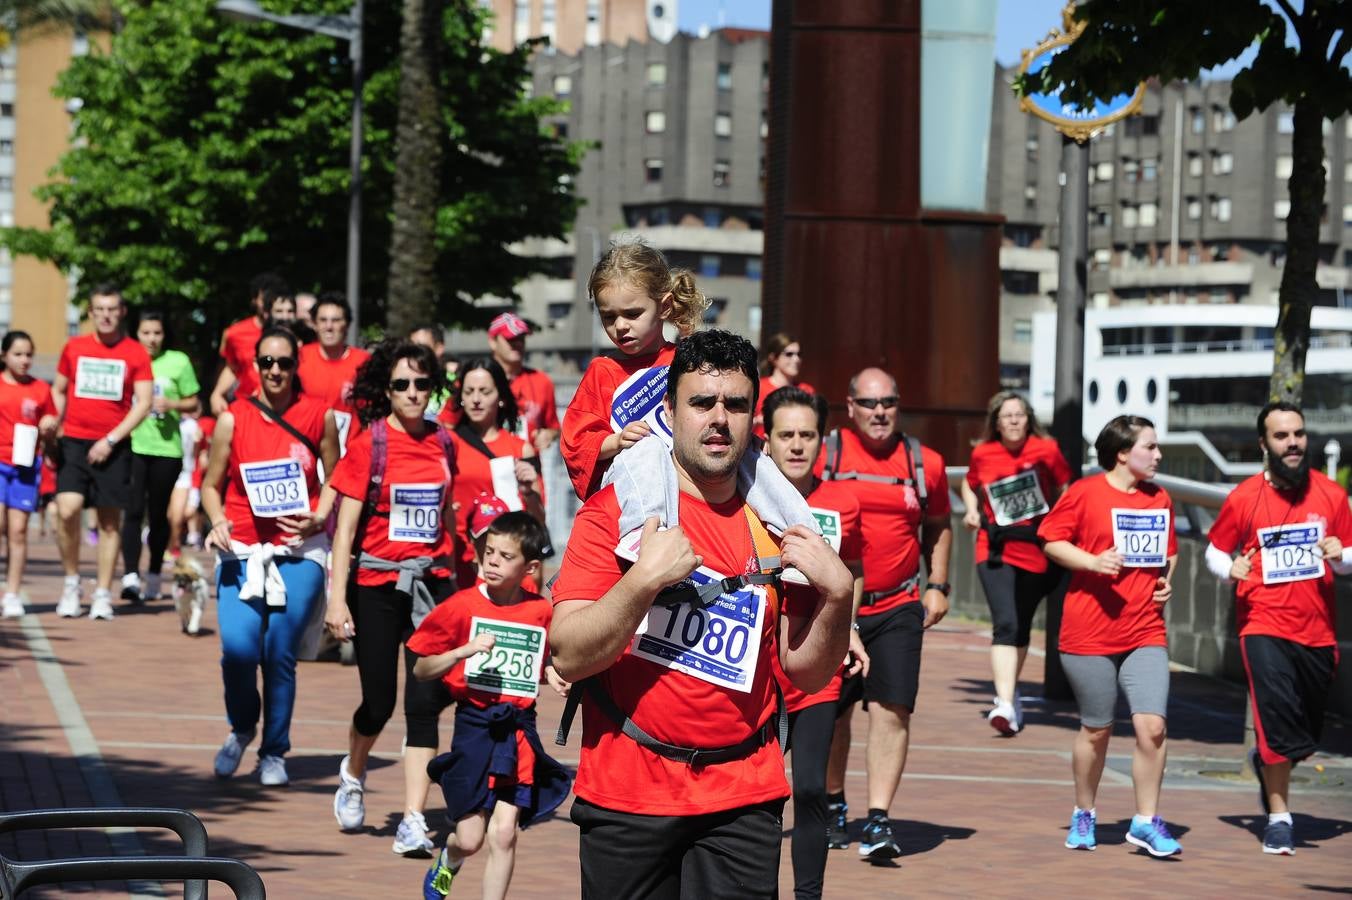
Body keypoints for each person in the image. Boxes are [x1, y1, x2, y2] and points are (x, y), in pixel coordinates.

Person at [549, 330, 853, 898]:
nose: (719, 419)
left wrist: (840, 596)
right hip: (627, 791)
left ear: (752, 415)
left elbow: (807, 672)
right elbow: (568, 651)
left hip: (744, 794)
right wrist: (642, 580)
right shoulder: (618, 514)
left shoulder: (781, 522)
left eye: (735, 405)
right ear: (669, 411)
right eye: (701, 403)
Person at [324, 339, 458, 857]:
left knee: (423, 703)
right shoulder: (369, 444)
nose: (412, 393)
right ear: (387, 389)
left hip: (432, 582)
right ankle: (354, 773)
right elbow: (344, 531)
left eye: (421, 384)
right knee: (378, 701)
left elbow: (446, 517)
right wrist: (337, 602)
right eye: (401, 384)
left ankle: (412, 818)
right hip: (378, 586)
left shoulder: (443, 442)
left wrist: (461, 582)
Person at [1205, 402, 1352, 856]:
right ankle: (1280, 818)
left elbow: (1349, 560)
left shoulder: (1331, 494)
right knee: (1274, 717)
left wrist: (1338, 554)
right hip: (1262, 623)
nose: (1293, 443)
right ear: (1263, 444)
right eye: (1282, 436)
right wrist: (1232, 568)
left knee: (1302, 732)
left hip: (1317, 630)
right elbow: (1214, 550)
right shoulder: (1245, 496)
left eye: (1299, 434)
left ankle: (1269, 761)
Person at [819, 367, 951, 860]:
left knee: (892, 710)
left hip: (897, 605)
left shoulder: (925, 463)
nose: (880, 412)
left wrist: (937, 585)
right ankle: (833, 803)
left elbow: (940, 525)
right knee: (833, 715)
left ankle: (877, 819)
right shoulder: (825, 454)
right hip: (834, 608)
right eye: (870, 404)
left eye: (888, 403)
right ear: (850, 406)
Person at [200, 326, 339, 786]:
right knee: (238, 651)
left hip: (300, 551)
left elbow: (337, 479)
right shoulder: (233, 418)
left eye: (284, 362)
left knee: (278, 647)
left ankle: (274, 751)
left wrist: (319, 516)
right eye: (267, 363)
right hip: (241, 549)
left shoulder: (320, 415)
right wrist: (217, 519)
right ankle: (242, 728)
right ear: (254, 366)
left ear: (297, 365)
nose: (275, 371)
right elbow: (210, 485)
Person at [1038, 415, 1181, 857]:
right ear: (1122, 453)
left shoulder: (1160, 499)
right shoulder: (1085, 493)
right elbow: (1050, 540)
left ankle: (1145, 820)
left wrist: (1165, 582)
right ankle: (1085, 811)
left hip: (1145, 629)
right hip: (1089, 632)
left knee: (1152, 727)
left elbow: (1169, 554)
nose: (1158, 456)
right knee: (1097, 730)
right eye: (1150, 447)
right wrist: (1092, 562)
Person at [412, 512, 572, 900]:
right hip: (474, 726)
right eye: (489, 552)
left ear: (530, 567)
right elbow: (421, 668)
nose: (492, 561)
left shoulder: (541, 611)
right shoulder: (460, 606)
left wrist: (549, 673)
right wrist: (461, 651)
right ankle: (447, 862)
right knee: (470, 839)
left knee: (503, 833)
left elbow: (539, 661)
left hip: (519, 728)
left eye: (505, 555)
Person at [762, 386, 867, 900]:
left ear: (822, 440)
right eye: (787, 435)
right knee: (758, 796)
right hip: (758, 666)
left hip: (819, 665)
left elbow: (856, 573)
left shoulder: (844, 501)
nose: (797, 445)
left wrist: (850, 629)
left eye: (807, 435)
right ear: (767, 440)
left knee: (809, 789)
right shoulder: (745, 498)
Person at [560, 240, 709, 499]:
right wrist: (617, 441)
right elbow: (576, 444)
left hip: (695, 491)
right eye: (609, 317)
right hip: (632, 496)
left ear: (664, 306)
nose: (620, 326)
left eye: (632, 314)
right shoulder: (602, 371)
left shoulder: (688, 361)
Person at [960, 390, 1071, 735]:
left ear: (1029, 419)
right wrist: (973, 509)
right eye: (1006, 415)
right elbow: (969, 481)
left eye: (1019, 415)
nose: (1013, 421)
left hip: (1035, 547)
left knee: (1020, 625)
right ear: (995, 421)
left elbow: (1066, 486)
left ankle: (1011, 693)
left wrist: (1061, 522)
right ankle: (1005, 704)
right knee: (1005, 623)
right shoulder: (983, 452)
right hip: (993, 547)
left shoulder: (1046, 449)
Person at [51, 286, 154, 620]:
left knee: (110, 522)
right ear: (91, 312)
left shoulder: (136, 353)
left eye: (112, 309)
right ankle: (71, 583)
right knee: (67, 510)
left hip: (113, 445)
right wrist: (55, 418)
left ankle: (101, 595)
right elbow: (59, 388)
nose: (106, 315)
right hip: (74, 442)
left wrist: (110, 440)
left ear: (121, 312)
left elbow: (144, 403)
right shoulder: (75, 347)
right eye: (99, 309)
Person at [439, 359, 545, 588]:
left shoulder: (521, 449)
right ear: (461, 398)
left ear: (501, 397)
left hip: (509, 567)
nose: (476, 399)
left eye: (485, 391)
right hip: (461, 562)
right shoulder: (446, 444)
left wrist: (529, 494)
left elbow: (539, 521)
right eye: (469, 392)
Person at [121, 311, 201, 604]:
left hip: (167, 449)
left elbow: (195, 402)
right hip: (132, 446)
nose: (151, 338)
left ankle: (154, 574)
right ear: (136, 334)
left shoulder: (178, 361)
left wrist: (173, 403)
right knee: (131, 511)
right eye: (146, 333)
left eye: (157, 332)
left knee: (158, 516)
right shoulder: (127, 357)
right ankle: (130, 575)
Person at [0, 331, 58, 617]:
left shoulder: (40, 390)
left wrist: (49, 426)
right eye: (17, 354)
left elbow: (51, 423)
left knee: (18, 531)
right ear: (4, 355)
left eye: (28, 354)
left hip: (24, 465)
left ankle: (12, 593)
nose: (24, 360)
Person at [298, 294, 370, 454]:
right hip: (306, 449)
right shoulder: (299, 358)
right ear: (314, 324)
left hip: (351, 453)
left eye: (336, 320)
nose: (329, 326)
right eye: (323, 320)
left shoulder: (364, 362)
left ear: (347, 324)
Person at [209, 273, 290, 416]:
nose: (267, 303)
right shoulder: (235, 333)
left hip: (285, 409)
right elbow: (232, 367)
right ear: (254, 300)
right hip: (247, 407)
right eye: (264, 298)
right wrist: (217, 394)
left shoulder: (294, 333)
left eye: (273, 298)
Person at [486, 312, 560, 453]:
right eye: (510, 339)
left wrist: (549, 435)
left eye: (521, 338)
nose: (517, 343)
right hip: (487, 465)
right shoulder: (477, 380)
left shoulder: (542, 381)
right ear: (492, 342)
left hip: (529, 467)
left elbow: (555, 427)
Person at [753, 333, 814, 439]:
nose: (796, 359)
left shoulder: (806, 390)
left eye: (799, 354)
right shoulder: (758, 387)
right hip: (761, 451)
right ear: (773, 358)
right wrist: (757, 421)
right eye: (789, 354)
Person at [408, 324, 452, 419]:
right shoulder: (401, 383)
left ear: (439, 348)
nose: (415, 354)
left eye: (421, 347)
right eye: (411, 348)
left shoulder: (454, 383)